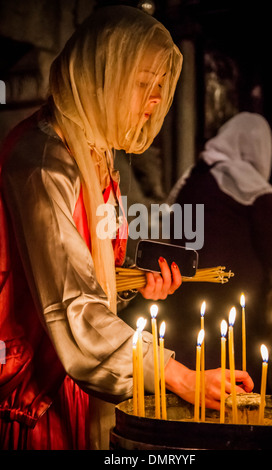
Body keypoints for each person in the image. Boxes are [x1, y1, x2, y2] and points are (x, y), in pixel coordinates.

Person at [0, 7, 253, 450]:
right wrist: (179, 376)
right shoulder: (45, 164)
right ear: (101, 78)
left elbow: (83, 276)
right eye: (143, 84)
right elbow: (72, 304)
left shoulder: (93, 154)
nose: (155, 100)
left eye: (160, 86)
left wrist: (133, 281)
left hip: (75, 382)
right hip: (36, 401)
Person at [165, 112, 272, 388]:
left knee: (194, 397)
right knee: (232, 396)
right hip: (234, 315)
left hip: (184, 308)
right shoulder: (251, 185)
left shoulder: (193, 179)